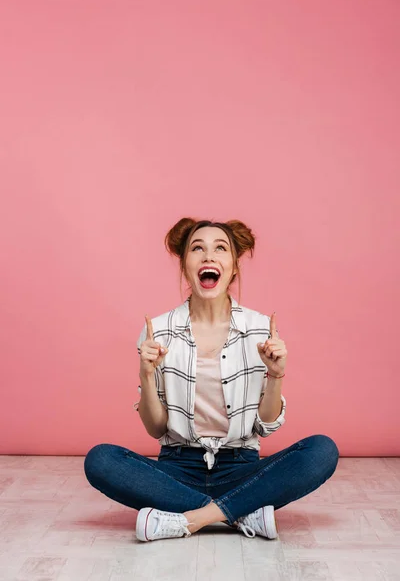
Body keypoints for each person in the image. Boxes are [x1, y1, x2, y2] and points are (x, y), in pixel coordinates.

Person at [84, 218, 339, 542]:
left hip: (241, 466)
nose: (208, 256)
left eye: (220, 248)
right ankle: (238, 514)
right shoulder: (157, 331)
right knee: (100, 460)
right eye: (197, 248)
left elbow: (266, 425)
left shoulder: (260, 329)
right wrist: (146, 375)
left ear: (233, 266)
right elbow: (156, 429)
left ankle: (190, 519)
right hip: (177, 469)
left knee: (322, 451)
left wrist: (275, 373)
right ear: (185, 264)